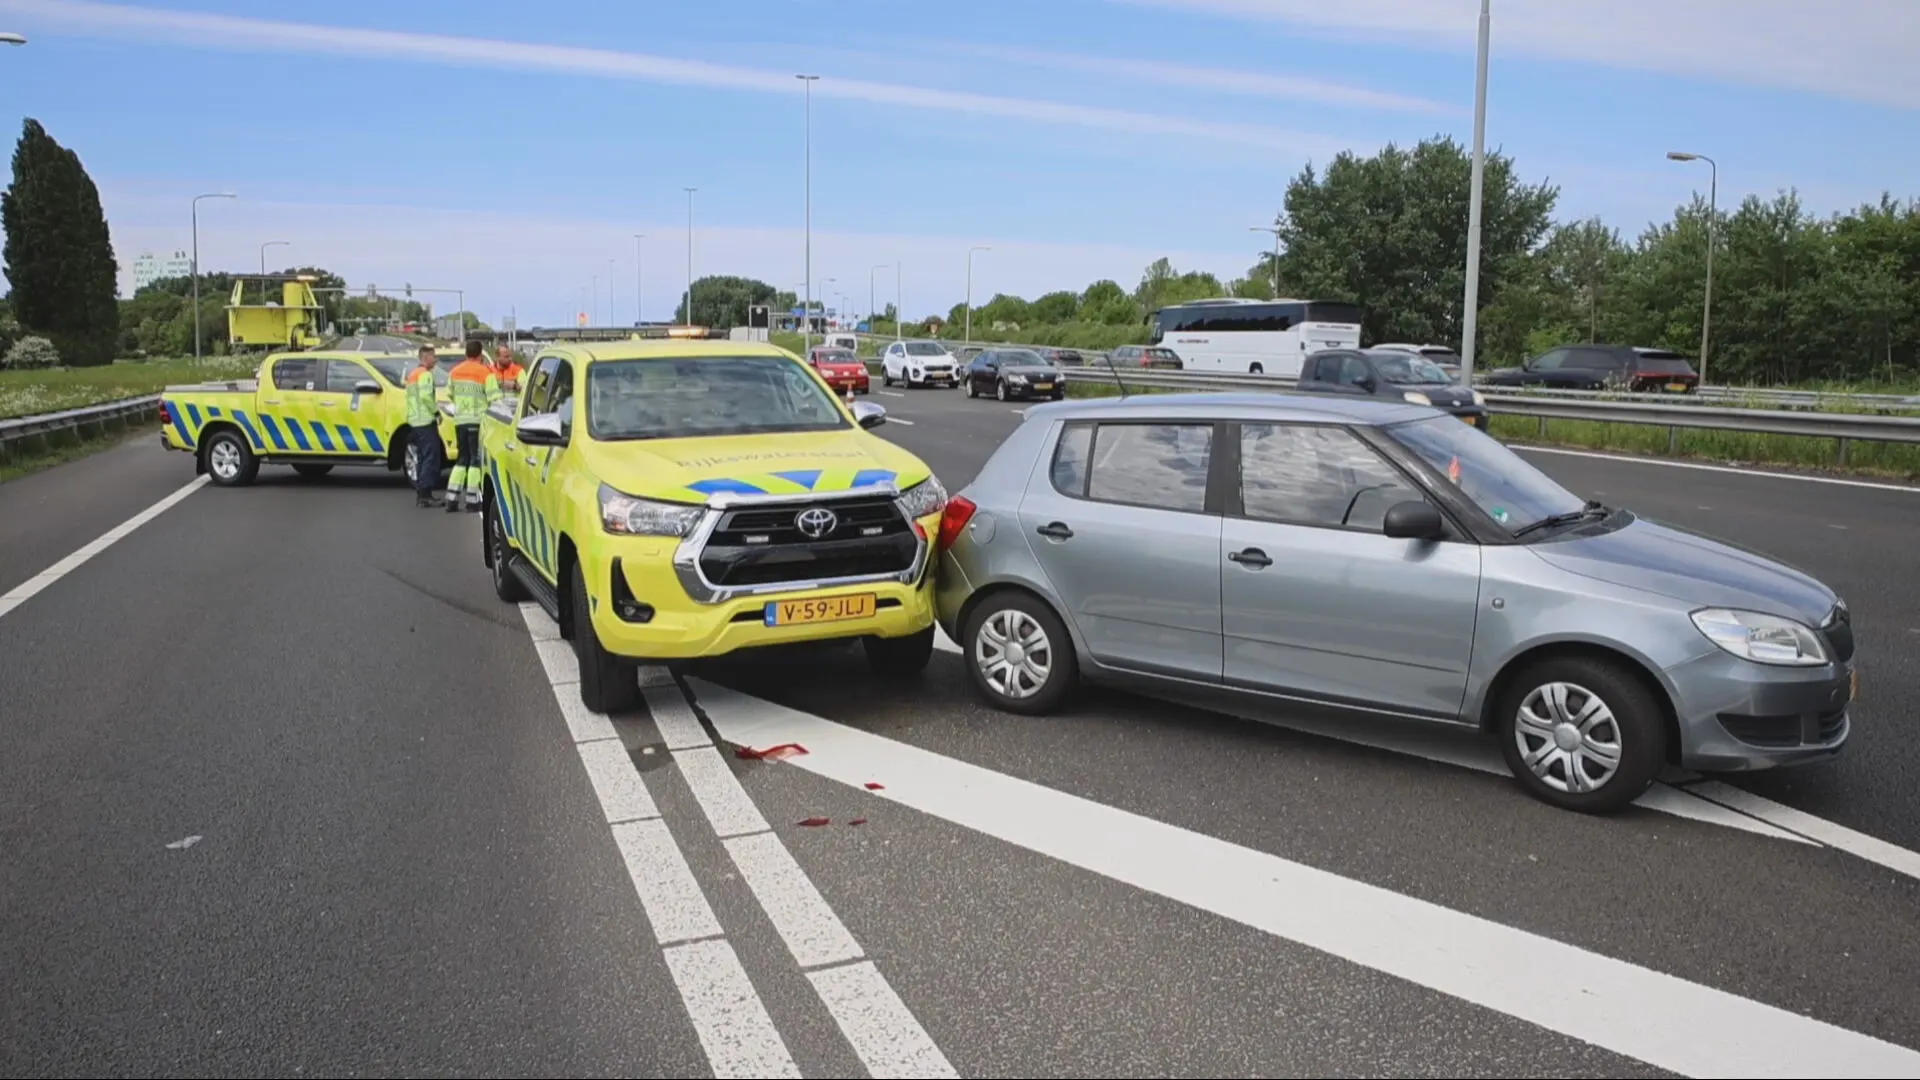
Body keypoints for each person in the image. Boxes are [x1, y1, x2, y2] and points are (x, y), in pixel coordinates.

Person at [444, 339, 502, 513]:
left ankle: (452, 498)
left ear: (466, 353)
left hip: (460, 421)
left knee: (462, 459)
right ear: (480, 354)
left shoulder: (455, 371)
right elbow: (495, 399)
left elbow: (449, 394)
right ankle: (471, 500)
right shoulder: (485, 373)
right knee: (475, 460)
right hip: (477, 421)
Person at [404, 344, 443, 508]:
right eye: (433, 356)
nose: (436, 360)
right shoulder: (425, 375)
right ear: (426, 358)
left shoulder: (413, 374)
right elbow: (426, 396)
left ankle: (421, 494)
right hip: (425, 421)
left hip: (415, 421)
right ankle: (426, 495)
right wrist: (436, 412)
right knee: (430, 458)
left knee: (421, 458)